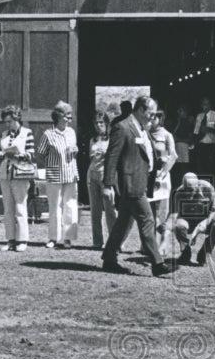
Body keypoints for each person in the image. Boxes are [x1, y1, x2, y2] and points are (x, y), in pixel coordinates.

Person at [100, 96, 173, 277]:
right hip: (131, 184)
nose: (153, 117)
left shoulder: (142, 128)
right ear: (140, 110)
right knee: (147, 219)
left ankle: (109, 259)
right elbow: (112, 156)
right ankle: (157, 263)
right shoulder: (122, 127)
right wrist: (107, 184)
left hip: (141, 182)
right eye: (151, 113)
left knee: (123, 223)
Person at [37, 101, 80, 249]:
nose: (69, 119)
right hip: (55, 174)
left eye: (70, 116)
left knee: (70, 205)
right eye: (67, 116)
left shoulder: (71, 132)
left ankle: (68, 238)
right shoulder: (48, 134)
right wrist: (53, 163)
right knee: (55, 206)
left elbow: (74, 149)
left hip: (70, 173)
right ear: (58, 116)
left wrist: (75, 150)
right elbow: (41, 153)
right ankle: (53, 238)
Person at [0, 105, 35, 252]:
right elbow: (0, 151)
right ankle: (10, 240)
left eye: (10, 121)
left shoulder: (27, 133)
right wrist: (1, 154)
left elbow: (31, 153)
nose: (8, 124)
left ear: (17, 118)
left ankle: (22, 240)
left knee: (20, 206)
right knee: (8, 208)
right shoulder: (4, 134)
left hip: (20, 173)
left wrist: (19, 155)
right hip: (5, 173)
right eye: (6, 122)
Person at [168, 172, 215, 267]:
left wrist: (205, 223)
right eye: (185, 189)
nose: (187, 193)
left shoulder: (207, 188)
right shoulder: (179, 192)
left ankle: (205, 253)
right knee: (179, 225)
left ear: (198, 185)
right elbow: (174, 214)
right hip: (189, 220)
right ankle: (185, 253)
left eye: (191, 190)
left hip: (206, 220)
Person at [86, 110, 119, 251]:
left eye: (101, 122)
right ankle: (97, 242)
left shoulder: (111, 139)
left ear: (106, 123)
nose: (99, 125)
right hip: (92, 174)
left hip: (105, 175)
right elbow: (90, 157)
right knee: (95, 210)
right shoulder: (92, 140)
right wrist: (94, 155)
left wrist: (105, 154)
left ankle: (115, 241)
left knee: (110, 210)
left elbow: (115, 158)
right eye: (96, 123)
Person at [147, 109, 176, 256]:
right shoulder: (145, 132)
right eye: (150, 118)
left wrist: (164, 172)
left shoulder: (166, 135)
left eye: (154, 118)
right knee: (148, 212)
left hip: (161, 176)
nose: (151, 121)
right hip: (148, 175)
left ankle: (161, 245)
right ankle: (148, 245)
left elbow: (173, 156)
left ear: (160, 119)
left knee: (160, 212)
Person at [192, 96, 215, 182]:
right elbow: (196, 132)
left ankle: (213, 187)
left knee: (212, 169)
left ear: (210, 104)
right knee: (201, 169)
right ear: (201, 105)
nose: (205, 106)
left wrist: (210, 130)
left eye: (207, 104)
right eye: (203, 104)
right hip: (201, 146)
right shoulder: (199, 116)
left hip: (212, 146)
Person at [170, 103, 195, 192]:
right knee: (177, 168)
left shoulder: (187, 123)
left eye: (180, 111)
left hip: (183, 148)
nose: (178, 112)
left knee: (183, 168)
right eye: (178, 110)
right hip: (177, 148)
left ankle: (185, 186)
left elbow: (190, 139)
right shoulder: (177, 121)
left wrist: (178, 138)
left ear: (185, 112)